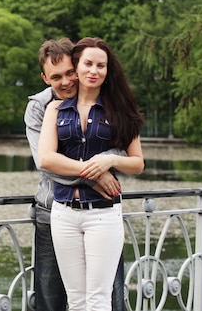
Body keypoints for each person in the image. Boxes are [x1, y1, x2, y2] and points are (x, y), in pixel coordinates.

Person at [37, 37, 144, 311]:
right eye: (87, 64)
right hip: (64, 212)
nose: (93, 70)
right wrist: (92, 170)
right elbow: (47, 158)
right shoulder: (55, 109)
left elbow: (137, 163)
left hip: (103, 214)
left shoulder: (120, 110)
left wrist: (108, 159)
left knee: (98, 300)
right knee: (76, 301)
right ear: (77, 66)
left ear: (108, 71)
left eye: (101, 65)